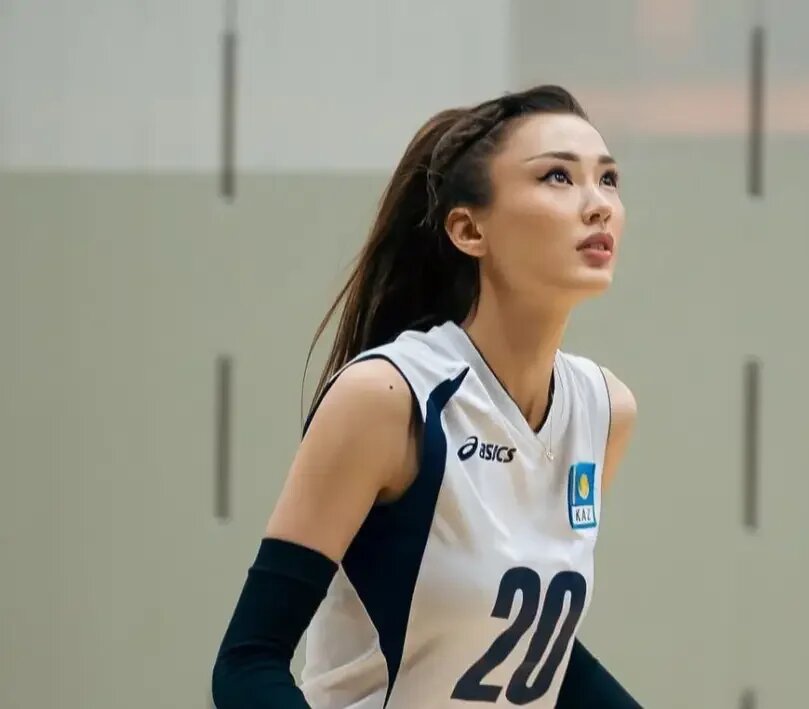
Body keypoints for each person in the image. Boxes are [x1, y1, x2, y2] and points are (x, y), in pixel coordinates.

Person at [211, 85, 641, 708]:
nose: (598, 204)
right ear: (468, 229)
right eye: (557, 176)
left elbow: (524, 647)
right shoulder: (389, 396)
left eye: (608, 179)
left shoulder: (605, 412)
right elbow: (247, 663)